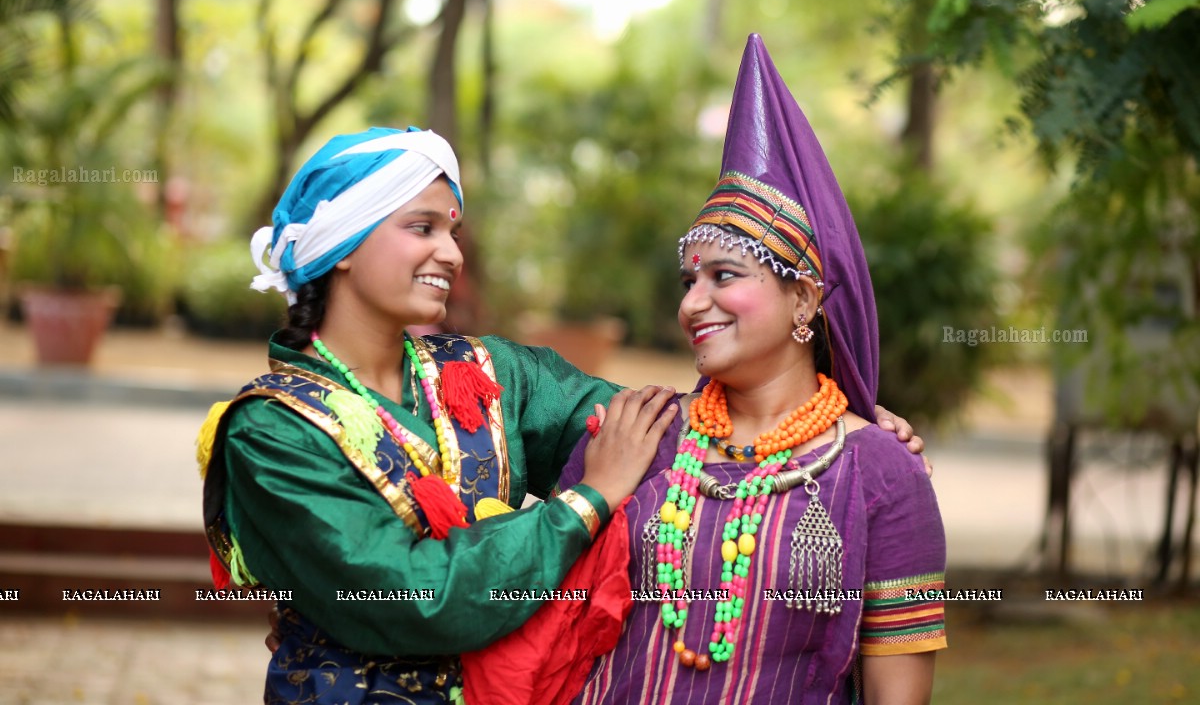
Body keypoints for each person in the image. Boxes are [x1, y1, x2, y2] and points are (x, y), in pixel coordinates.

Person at [200, 126, 926, 703]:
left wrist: (838, 427)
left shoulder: (491, 375)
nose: (451, 253)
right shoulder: (270, 433)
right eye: (422, 228)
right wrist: (582, 503)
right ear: (344, 247)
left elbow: (664, 428)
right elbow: (414, 598)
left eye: (452, 230)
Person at [546, 34, 947, 704]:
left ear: (804, 298)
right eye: (688, 280)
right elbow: (545, 614)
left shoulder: (878, 472)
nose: (692, 303)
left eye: (723, 276)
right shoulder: (635, 434)